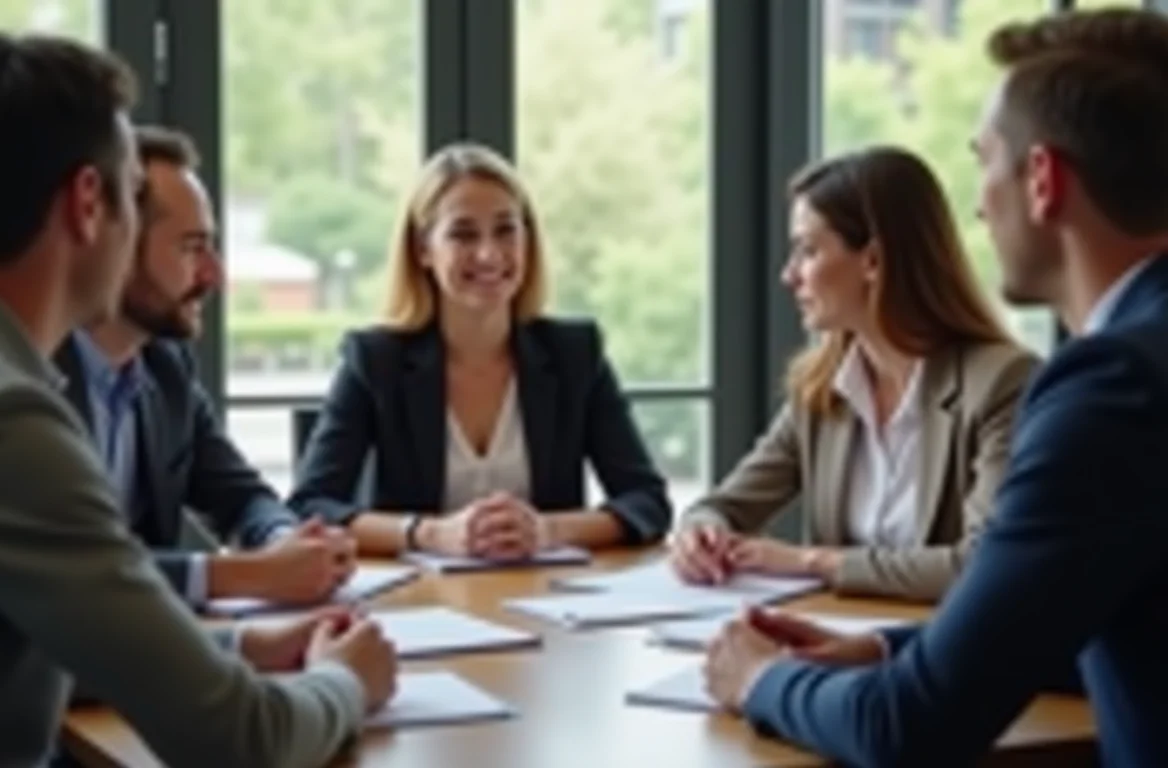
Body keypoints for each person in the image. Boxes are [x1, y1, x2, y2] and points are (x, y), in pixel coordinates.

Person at [0, 33, 395, 767]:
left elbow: (31, 631)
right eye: (130, 194)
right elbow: (239, 743)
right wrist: (345, 681)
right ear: (87, 204)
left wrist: (236, 646)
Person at [704, 8, 1168, 766]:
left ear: (1044, 180)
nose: (980, 205)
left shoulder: (1111, 389)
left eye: (985, 161)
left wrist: (761, 680)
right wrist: (890, 648)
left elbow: (910, 729)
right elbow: (1091, 618)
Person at [671, 146, 1037, 602]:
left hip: (947, 658)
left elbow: (983, 565)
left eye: (807, 250)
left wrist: (813, 562)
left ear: (873, 262)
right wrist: (701, 534)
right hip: (839, 641)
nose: (789, 275)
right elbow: (724, 506)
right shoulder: (821, 391)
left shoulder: (1002, 383)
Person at [289, 142, 672, 557]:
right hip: (420, 605)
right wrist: (431, 534)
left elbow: (646, 502)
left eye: (506, 230)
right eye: (462, 234)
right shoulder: (375, 360)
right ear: (423, 250)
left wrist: (546, 531)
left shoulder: (574, 354)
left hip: (548, 601)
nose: (489, 254)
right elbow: (312, 509)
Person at [55, 125, 355, 609]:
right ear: (120, 243)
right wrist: (244, 574)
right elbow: (71, 566)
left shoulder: (165, 366)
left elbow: (239, 493)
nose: (214, 274)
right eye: (192, 247)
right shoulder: (28, 375)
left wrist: (286, 540)